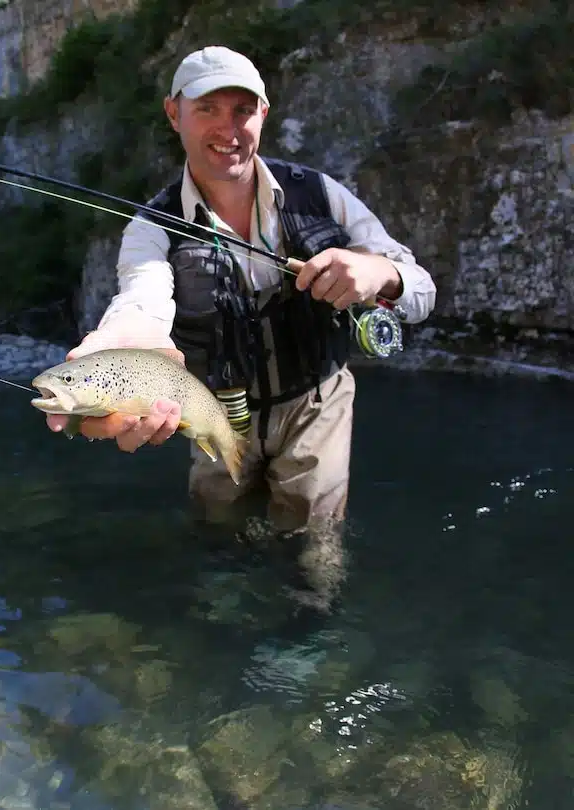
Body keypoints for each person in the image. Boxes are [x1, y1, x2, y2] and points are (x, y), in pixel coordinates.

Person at [45, 46, 437, 609]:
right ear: (173, 114)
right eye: (208, 110)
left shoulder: (323, 194)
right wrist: (128, 342)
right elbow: (141, 299)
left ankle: (308, 635)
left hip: (317, 403)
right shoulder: (151, 229)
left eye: (242, 110)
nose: (228, 128)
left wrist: (381, 272)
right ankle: (223, 624)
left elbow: (422, 289)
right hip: (214, 404)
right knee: (217, 529)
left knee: (312, 541)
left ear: (263, 116)